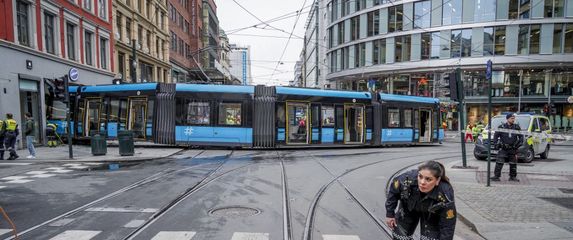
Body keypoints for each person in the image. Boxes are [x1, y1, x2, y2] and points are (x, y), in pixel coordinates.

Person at [385, 161, 456, 240]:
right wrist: (390, 213)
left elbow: (448, 224)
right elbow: (393, 192)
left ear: (437, 180)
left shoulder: (445, 193)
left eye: (428, 179)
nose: (422, 182)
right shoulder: (406, 179)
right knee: (400, 237)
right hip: (408, 208)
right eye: (420, 176)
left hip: (432, 214)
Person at [491, 113, 524, 182]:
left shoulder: (516, 127)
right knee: (499, 162)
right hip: (503, 148)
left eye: (514, 118)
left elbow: (521, 137)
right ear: (507, 119)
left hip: (513, 148)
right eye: (512, 118)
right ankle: (496, 176)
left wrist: (518, 144)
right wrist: (496, 143)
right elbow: (495, 136)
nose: (513, 120)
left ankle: (512, 177)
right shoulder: (501, 127)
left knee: (513, 163)